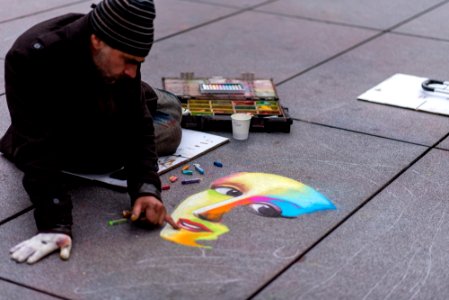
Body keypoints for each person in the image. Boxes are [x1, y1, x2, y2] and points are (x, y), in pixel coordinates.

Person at [0, 0, 182, 264]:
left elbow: (136, 120)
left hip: (99, 110)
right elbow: (35, 148)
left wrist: (146, 189)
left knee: (164, 101)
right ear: (97, 41)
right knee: (170, 122)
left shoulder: (112, 40)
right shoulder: (30, 55)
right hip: (69, 139)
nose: (132, 71)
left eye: (138, 62)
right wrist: (55, 224)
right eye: (128, 61)